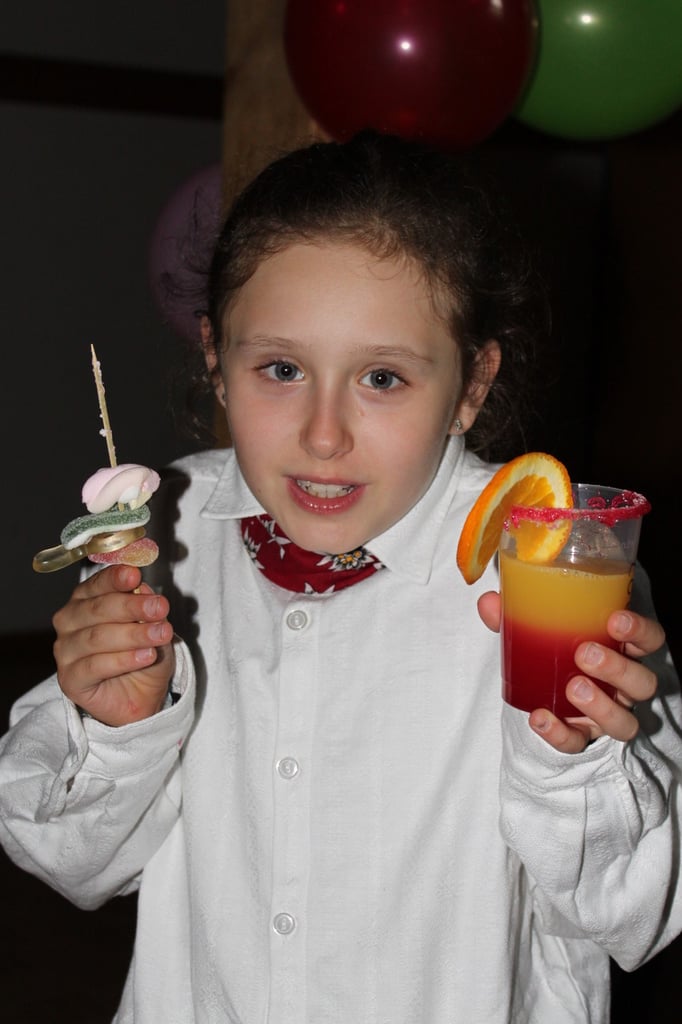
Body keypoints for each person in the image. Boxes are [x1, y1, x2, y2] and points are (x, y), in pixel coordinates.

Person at [1, 131, 680, 1024]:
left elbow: (637, 917)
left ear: (472, 386)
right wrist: (118, 730)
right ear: (215, 358)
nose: (324, 435)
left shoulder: (561, 567)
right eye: (281, 369)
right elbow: (73, 863)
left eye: (383, 378)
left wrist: (574, 759)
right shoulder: (160, 536)